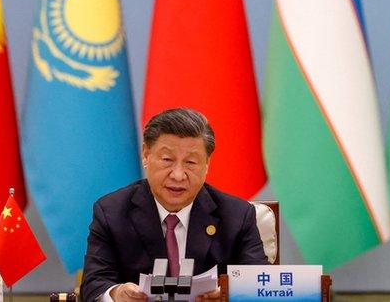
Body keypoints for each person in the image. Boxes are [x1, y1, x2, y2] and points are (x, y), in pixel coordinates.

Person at [81, 108, 268, 302]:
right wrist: (116, 293)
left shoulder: (237, 215)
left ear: (207, 165)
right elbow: (93, 284)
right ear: (146, 155)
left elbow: (260, 283)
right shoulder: (112, 212)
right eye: (167, 160)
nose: (178, 175)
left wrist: (229, 294)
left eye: (191, 162)